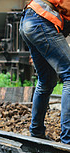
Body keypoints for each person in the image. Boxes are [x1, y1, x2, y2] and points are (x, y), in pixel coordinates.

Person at [19, 0, 70, 143]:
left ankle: (36, 132)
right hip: (41, 21)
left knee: (46, 80)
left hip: (29, 20)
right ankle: (68, 139)